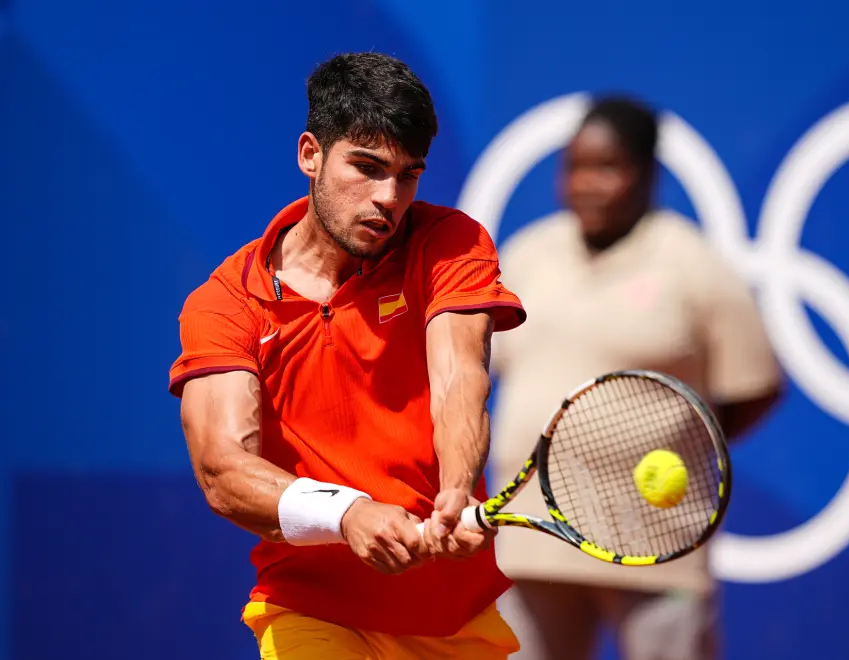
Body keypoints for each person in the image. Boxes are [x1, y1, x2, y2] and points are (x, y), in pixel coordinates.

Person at [168, 52, 526, 659]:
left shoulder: (450, 243)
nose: (388, 197)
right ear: (311, 154)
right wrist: (347, 513)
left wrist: (457, 490)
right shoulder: (225, 302)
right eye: (366, 167)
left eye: (408, 175)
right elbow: (222, 469)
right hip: (311, 610)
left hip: (452, 617)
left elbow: (459, 378)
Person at [490, 96, 783, 660]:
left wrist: (678, 443)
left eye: (607, 168)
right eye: (574, 168)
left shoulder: (694, 264)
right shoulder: (526, 255)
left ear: (647, 174)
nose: (586, 184)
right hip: (531, 542)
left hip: (655, 543)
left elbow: (755, 388)